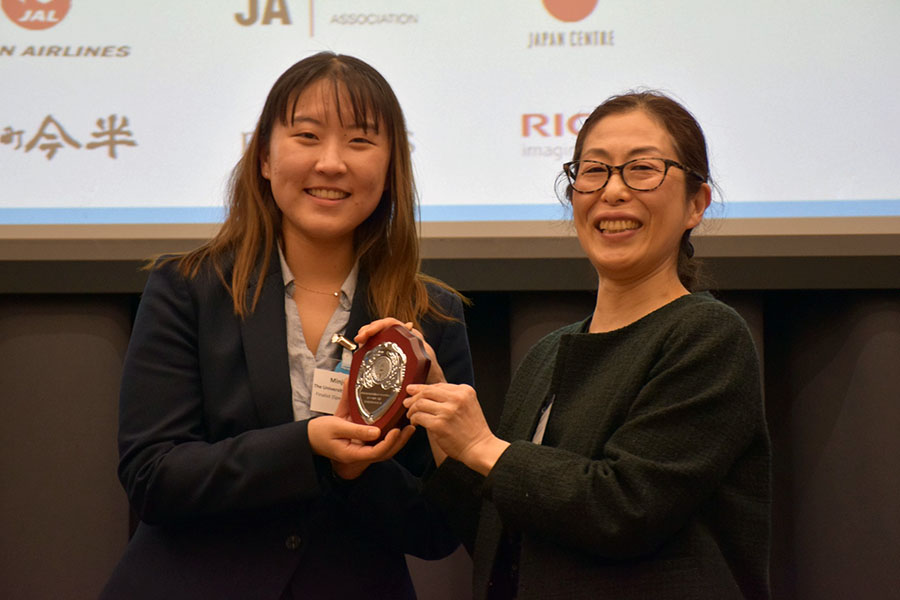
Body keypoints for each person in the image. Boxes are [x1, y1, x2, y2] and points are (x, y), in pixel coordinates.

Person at [361, 91, 771, 599]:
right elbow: (500, 537)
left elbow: (625, 509)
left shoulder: (707, 334)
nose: (613, 192)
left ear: (696, 204)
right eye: (594, 170)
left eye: (642, 169)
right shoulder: (547, 353)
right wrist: (448, 438)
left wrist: (484, 446)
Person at [100, 52, 474, 600]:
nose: (331, 162)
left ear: (392, 167)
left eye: (360, 141)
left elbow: (439, 529)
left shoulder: (429, 318)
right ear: (266, 159)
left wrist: (355, 474)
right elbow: (153, 477)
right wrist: (306, 448)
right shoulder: (189, 288)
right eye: (307, 136)